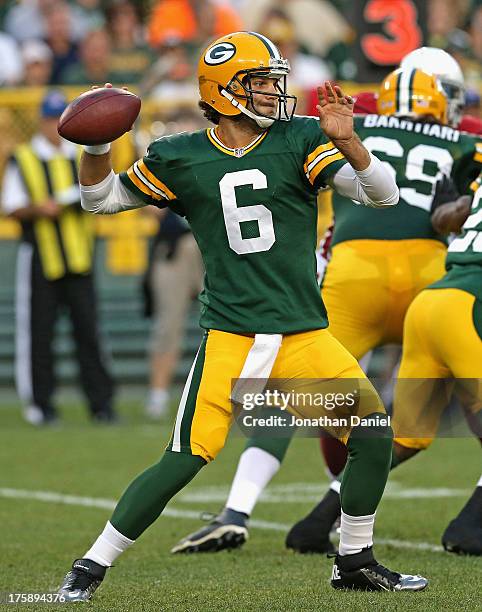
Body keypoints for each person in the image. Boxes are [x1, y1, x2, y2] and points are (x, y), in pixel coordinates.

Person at [57, 32, 428, 601]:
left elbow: (383, 194)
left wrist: (351, 142)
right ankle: (90, 565)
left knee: (373, 435)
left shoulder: (302, 137)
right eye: (259, 83)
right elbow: (100, 199)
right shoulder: (181, 156)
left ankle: (354, 559)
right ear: (223, 92)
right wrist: (96, 145)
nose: (273, 93)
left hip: (303, 337)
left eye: (273, 81)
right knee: (184, 459)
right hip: (232, 338)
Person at [173, 64, 482, 556]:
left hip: (353, 273)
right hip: (435, 280)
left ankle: (237, 509)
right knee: (425, 410)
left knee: (288, 393)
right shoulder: (464, 138)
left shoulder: (352, 120)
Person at [1, 90, 116, 426]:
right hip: (40, 257)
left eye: (58, 119)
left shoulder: (79, 154)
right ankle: (41, 405)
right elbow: (11, 206)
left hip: (80, 256)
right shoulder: (22, 157)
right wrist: (40, 208)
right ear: (41, 120)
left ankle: (102, 404)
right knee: (39, 335)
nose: (54, 126)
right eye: (50, 119)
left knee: (89, 333)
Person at [390, 171, 482, 556]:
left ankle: (318, 519)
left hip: (433, 300)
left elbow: (448, 215)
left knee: (406, 436)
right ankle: (467, 528)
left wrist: (454, 204)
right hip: (472, 304)